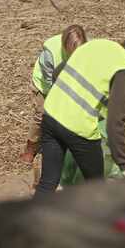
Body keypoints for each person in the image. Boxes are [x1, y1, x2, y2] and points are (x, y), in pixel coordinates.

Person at [36, 25, 125, 194]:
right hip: (78, 129)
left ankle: (30, 220)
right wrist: (124, 166)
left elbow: (57, 74)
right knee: (96, 187)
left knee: (47, 183)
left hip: (50, 117)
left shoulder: (96, 45)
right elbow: (115, 122)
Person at [19, 25, 87, 187]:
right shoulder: (50, 53)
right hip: (46, 86)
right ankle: (31, 148)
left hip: (71, 83)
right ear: (65, 46)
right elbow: (52, 84)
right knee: (41, 115)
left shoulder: (87, 48)